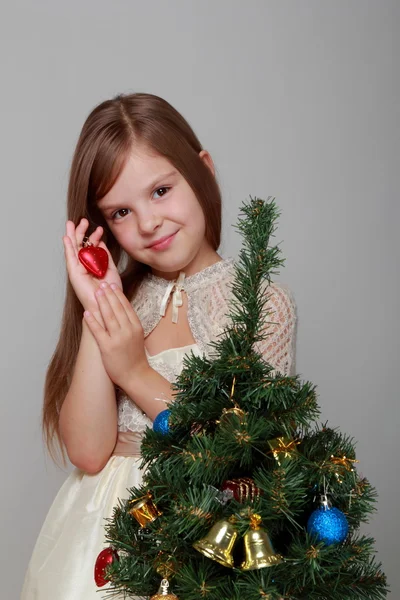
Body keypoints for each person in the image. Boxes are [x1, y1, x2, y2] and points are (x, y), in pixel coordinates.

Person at [21, 92, 297, 599]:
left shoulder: (263, 305)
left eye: (162, 190)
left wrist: (134, 372)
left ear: (204, 171)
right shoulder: (124, 299)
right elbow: (86, 450)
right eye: (121, 211)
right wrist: (100, 304)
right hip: (101, 537)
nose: (147, 223)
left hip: (204, 539)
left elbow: (241, 459)